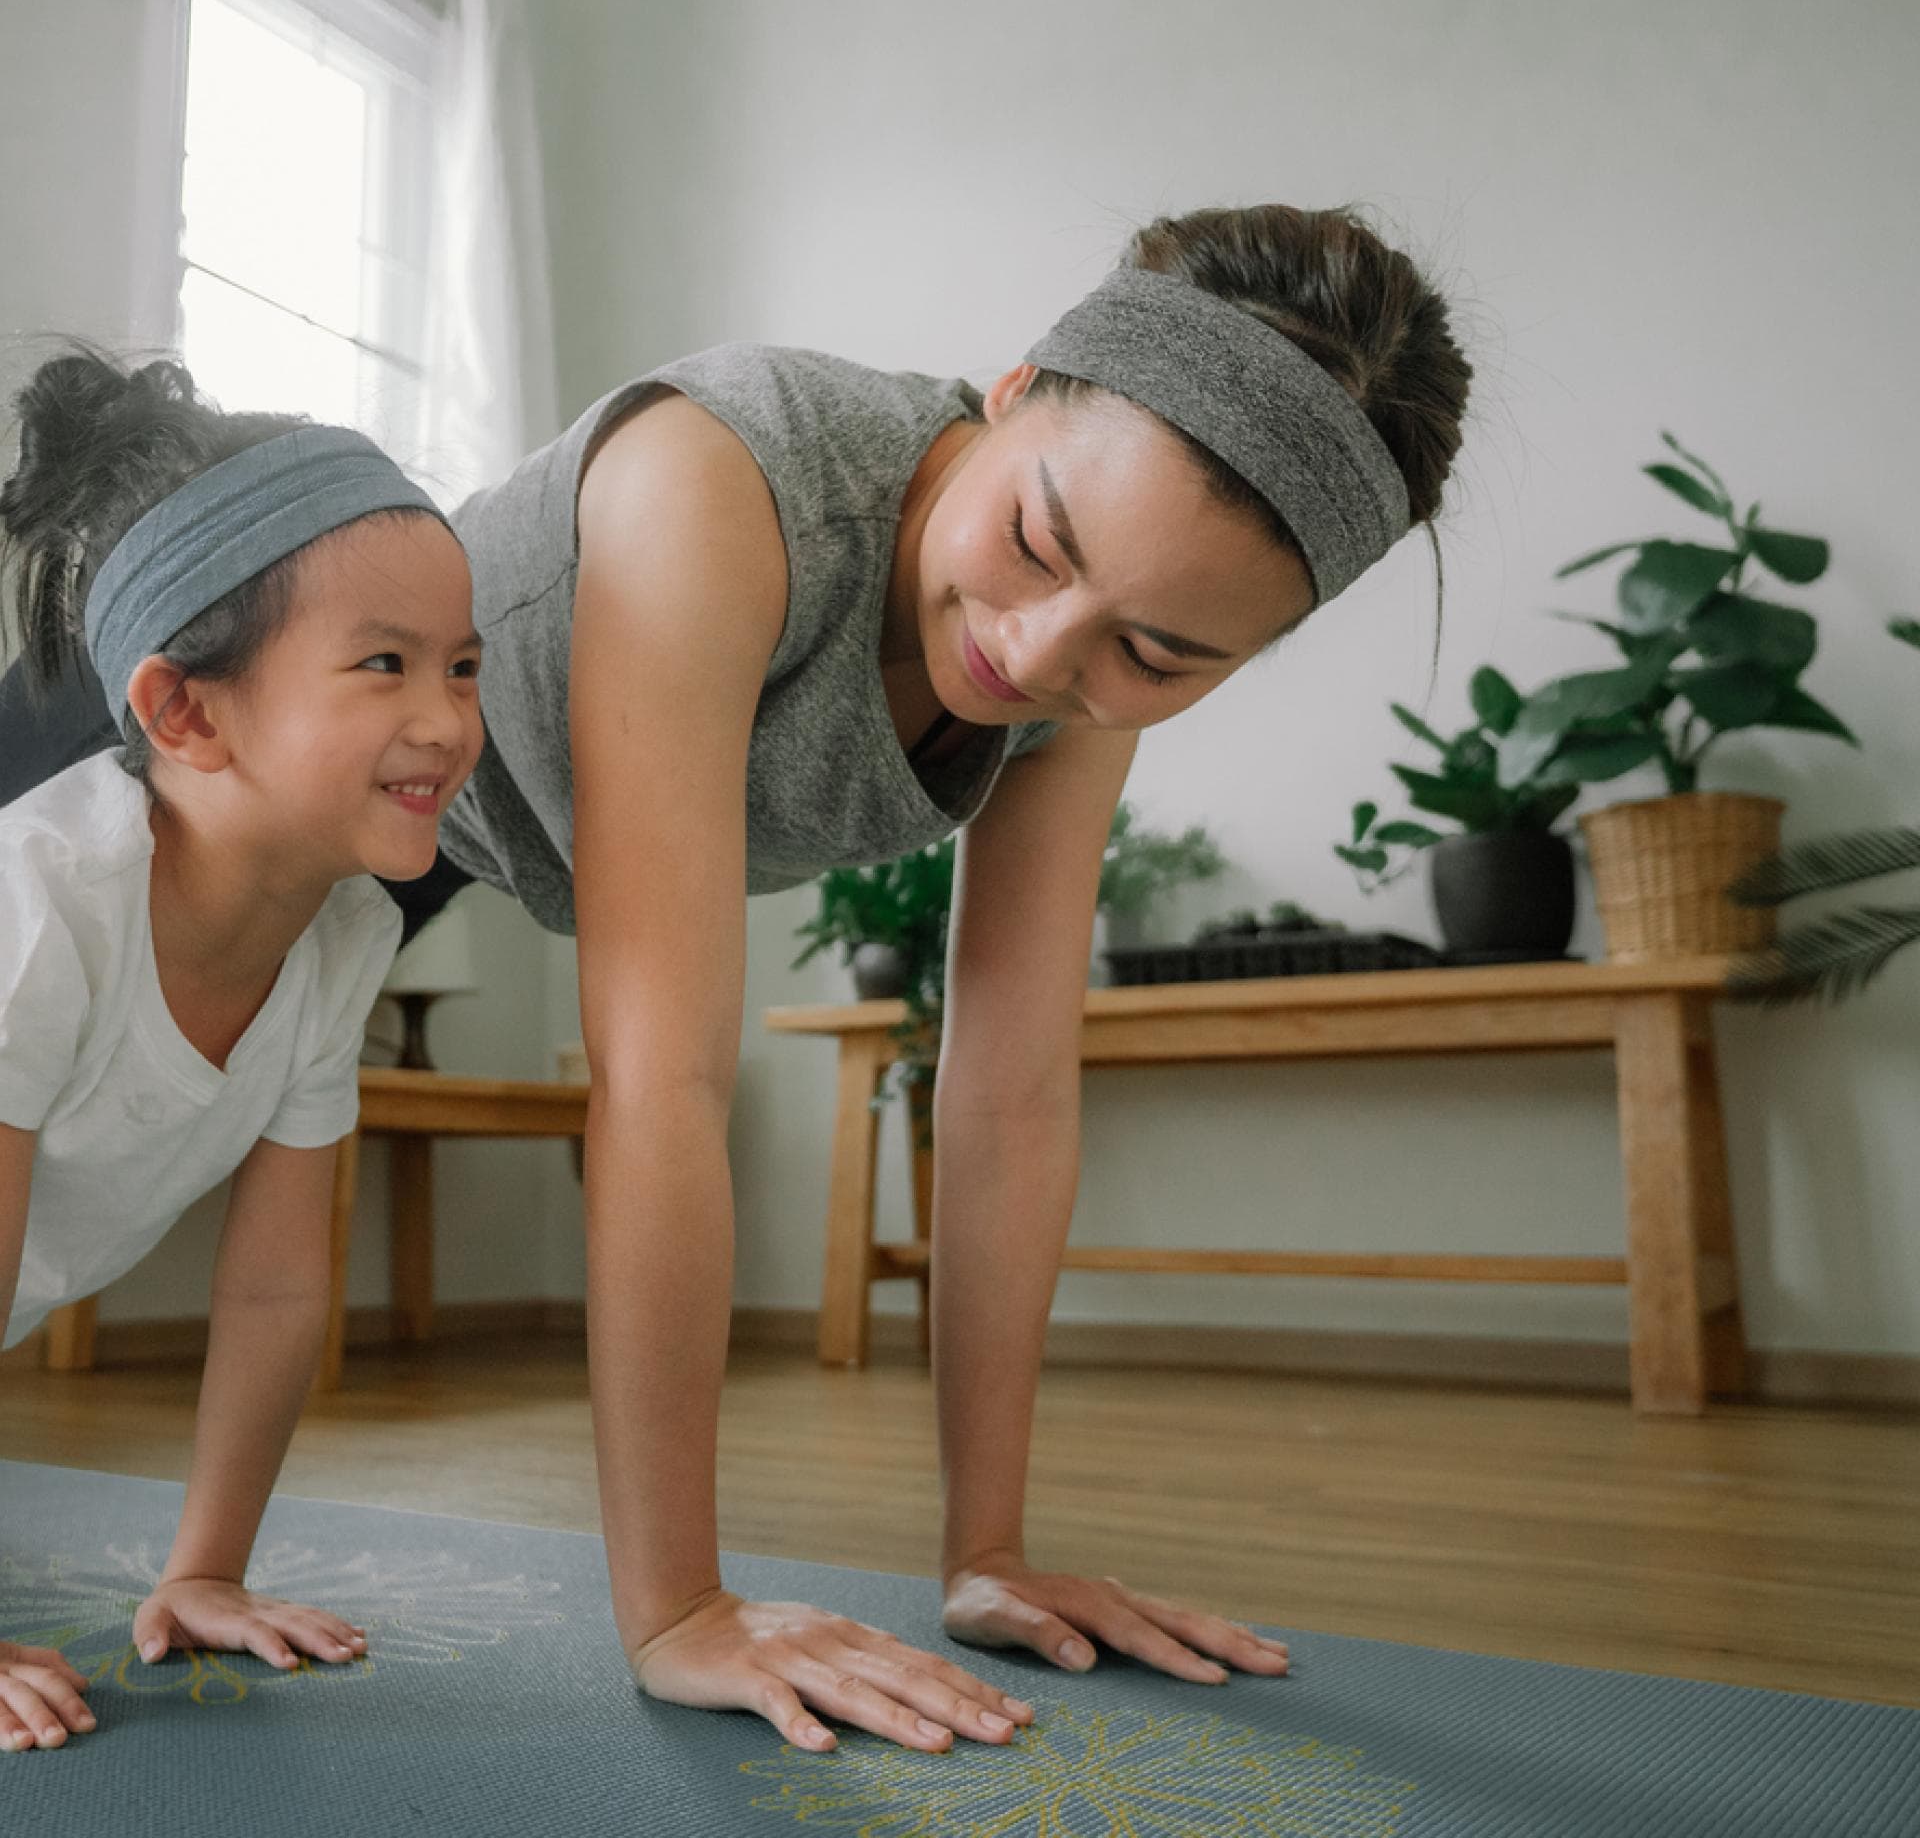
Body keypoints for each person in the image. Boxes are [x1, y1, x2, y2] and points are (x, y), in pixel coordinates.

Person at [0, 203, 1472, 1757]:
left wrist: (987, 1554)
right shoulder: (722, 484)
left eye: (1159, 657)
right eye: (1038, 544)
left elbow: (1010, 1087)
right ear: (1013, 394)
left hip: (394, 836)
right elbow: (665, 1078)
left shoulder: (1077, 664)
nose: (1044, 655)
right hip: (179, 728)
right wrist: (678, 1608)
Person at [0, 354, 485, 1752]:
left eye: (462, 667)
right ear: (186, 713)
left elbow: (274, 1289)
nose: (448, 720)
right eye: (385, 664)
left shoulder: (341, 937)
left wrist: (206, 1567)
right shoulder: (40, 904)